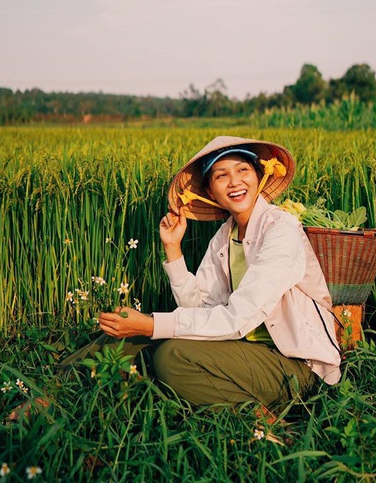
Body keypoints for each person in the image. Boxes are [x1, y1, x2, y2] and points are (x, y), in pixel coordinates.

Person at [91, 135, 341, 411]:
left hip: (296, 365)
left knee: (172, 356)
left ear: (259, 177)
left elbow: (238, 318)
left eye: (243, 170)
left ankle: (252, 418)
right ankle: (53, 392)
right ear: (210, 192)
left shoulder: (281, 230)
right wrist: (173, 248)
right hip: (244, 350)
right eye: (221, 176)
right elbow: (199, 307)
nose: (234, 181)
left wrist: (152, 325)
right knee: (123, 337)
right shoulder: (225, 237)